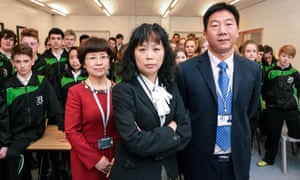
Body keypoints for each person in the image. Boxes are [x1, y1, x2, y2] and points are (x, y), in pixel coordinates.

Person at [176, 2, 261, 180]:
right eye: (215, 25)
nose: (222, 30)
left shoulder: (252, 70)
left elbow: (250, 110)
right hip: (199, 158)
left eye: (229, 24)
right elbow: (182, 114)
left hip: (237, 157)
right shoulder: (186, 70)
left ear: (238, 30)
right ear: (205, 33)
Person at [110, 23, 191, 180]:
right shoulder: (123, 90)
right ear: (132, 54)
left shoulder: (170, 86)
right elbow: (134, 141)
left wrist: (151, 141)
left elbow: (186, 131)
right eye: (142, 49)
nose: (150, 56)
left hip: (168, 170)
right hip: (135, 172)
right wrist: (170, 131)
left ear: (165, 53)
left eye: (156, 49)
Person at [0, 44, 64, 180]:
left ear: (32, 61)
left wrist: (64, 129)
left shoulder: (41, 82)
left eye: (26, 61)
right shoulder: (7, 86)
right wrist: (4, 142)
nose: (22, 65)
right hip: (13, 130)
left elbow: (54, 106)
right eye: (18, 61)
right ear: (12, 63)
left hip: (33, 129)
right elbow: (3, 116)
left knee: (12, 155)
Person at [65, 37, 118, 180]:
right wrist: (95, 159)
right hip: (86, 157)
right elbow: (72, 131)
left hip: (116, 155)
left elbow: (127, 127)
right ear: (83, 63)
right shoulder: (76, 92)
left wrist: (118, 156)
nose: (99, 62)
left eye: (103, 57)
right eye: (92, 58)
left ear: (110, 61)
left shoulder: (119, 90)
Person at [257, 45, 300, 167]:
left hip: (291, 109)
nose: (286, 59)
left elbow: (298, 90)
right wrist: (265, 101)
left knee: (296, 132)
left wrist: (297, 104)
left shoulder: (295, 74)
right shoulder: (271, 72)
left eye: (289, 57)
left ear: (292, 59)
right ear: (279, 55)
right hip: (274, 108)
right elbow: (264, 88)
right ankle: (269, 159)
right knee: (273, 135)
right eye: (284, 56)